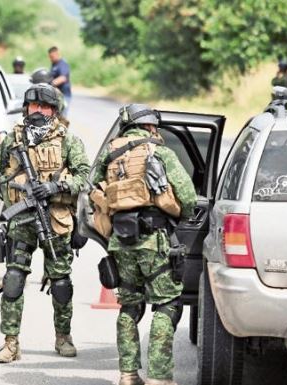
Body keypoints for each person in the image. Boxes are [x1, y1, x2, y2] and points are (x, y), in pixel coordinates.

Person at [0, 83, 89, 363]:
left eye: (44, 107)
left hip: (57, 220)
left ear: (54, 110)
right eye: (33, 106)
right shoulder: (12, 140)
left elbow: (85, 177)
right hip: (21, 220)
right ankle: (10, 342)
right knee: (13, 280)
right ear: (26, 108)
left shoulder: (68, 141)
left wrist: (55, 188)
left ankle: (63, 337)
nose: (37, 111)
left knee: (61, 282)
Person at [90, 104, 197, 385]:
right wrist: (181, 214)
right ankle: (159, 378)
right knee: (166, 305)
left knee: (129, 307)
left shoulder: (110, 155)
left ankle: (128, 374)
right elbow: (186, 195)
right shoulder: (159, 152)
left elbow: (92, 189)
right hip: (154, 241)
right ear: (150, 126)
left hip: (120, 243)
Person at [47, 46, 72, 117]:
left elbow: (63, 78)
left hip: (64, 95)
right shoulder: (54, 64)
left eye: (52, 57)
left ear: (57, 54)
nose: (50, 59)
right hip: (56, 95)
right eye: (49, 57)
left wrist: (50, 84)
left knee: (62, 117)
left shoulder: (62, 64)